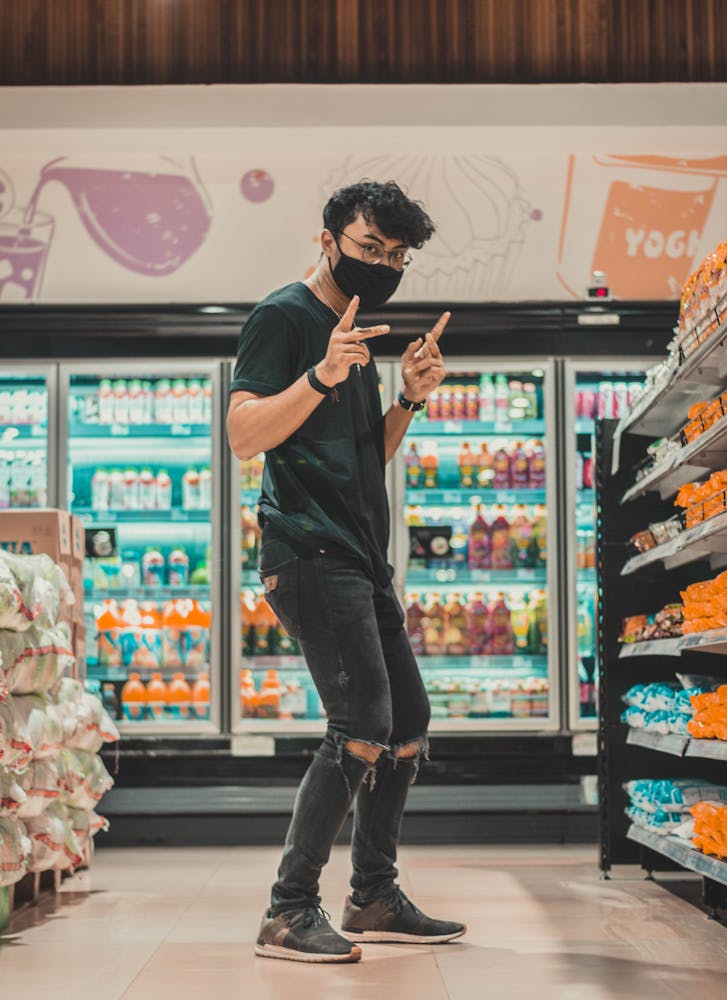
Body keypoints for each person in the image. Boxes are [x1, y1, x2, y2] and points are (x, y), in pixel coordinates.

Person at [227, 180, 466, 964]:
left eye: (396, 255)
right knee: (361, 723)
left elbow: (370, 460)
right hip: (306, 552)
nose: (384, 264)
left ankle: (372, 895)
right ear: (326, 238)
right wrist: (323, 374)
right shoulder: (286, 318)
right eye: (370, 248)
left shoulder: (353, 331)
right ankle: (288, 910)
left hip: (362, 558)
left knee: (407, 724)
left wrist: (408, 399)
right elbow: (243, 434)